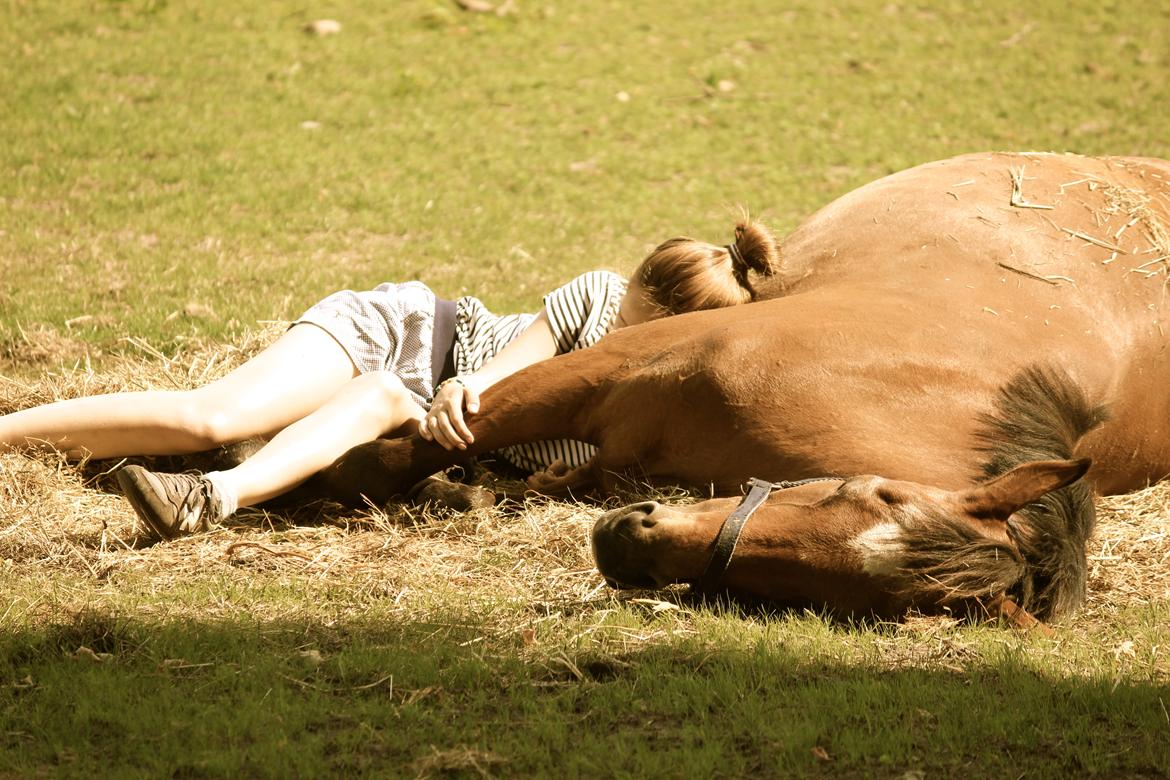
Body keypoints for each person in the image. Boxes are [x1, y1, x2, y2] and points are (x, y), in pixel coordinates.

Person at [0, 218, 781, 540]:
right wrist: (454, 394)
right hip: (406, 342)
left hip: (416, 432)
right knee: (214, 420)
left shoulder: (650, 396)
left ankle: (210, 494)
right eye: (654, 321)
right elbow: (489, 384)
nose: (642, 341)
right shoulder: (598, 299)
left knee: (366, 413)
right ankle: (18, 439)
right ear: (645, 293)